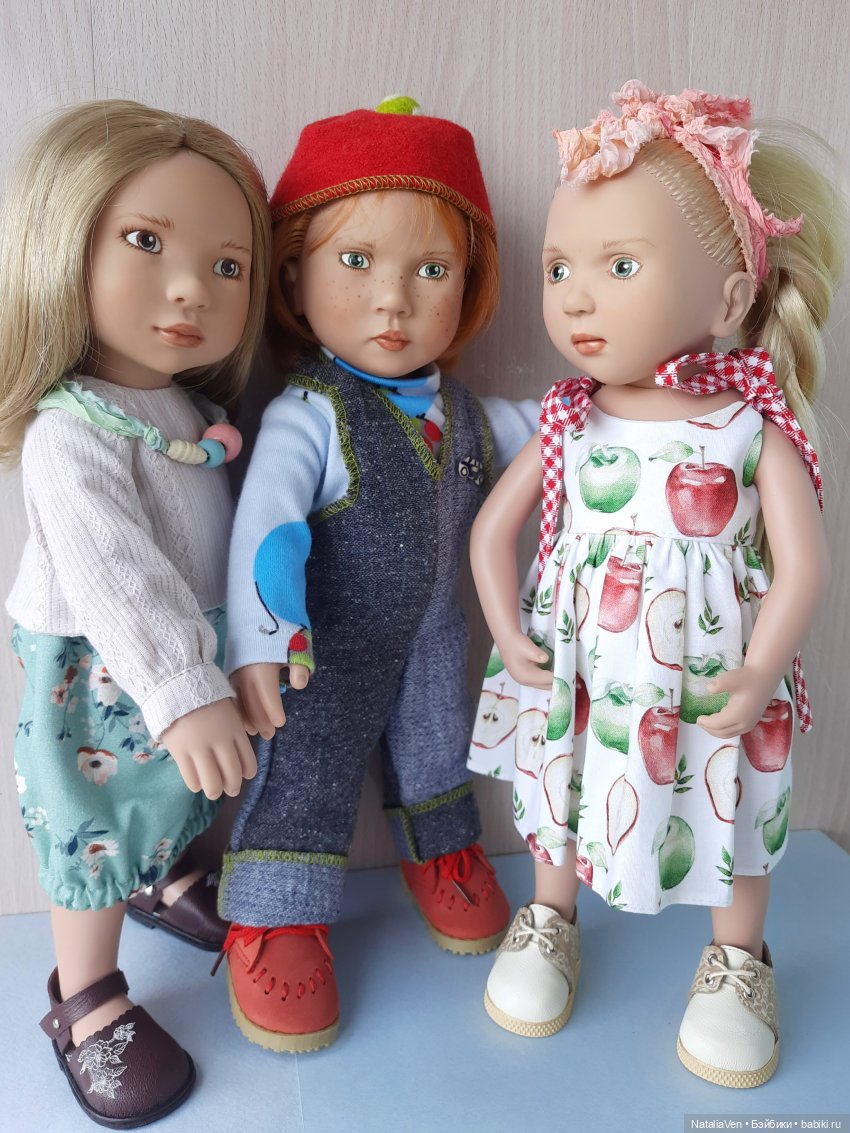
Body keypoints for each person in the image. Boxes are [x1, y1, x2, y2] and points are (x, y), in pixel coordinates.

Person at [468, 81, 846, 1087]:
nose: (576, 297)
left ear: (729, 299)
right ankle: (549, 916)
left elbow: (804, 565)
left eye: (620, 265)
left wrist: (762, 666)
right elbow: (492, 530)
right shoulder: (568, 417)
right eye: (559, 268)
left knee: (736, 809)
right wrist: (507, 626)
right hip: (585, 672)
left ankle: (738, 961)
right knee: (561, 788)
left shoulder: (748, 426)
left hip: (712, 678)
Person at [220, 98, 538, 1051]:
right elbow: (269, 526)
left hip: (437, 639)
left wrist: (612, 409)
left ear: (469, 285)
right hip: (325, 649)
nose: (393, 300)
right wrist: (264, 642)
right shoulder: (308, 414)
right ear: (294, 273)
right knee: (305, 768)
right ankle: (275, 906)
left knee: (441, 744)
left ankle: (442, 851)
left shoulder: (468, 415)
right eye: (356, 261)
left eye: (431, 270)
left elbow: (547, 434)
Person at [0, 99, 270, 1126]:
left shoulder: (189, 411)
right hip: (103, 673)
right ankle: (85, 999)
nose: (191, 286)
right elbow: (113, 571)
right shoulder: (70, 431)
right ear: (64, 242)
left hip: (183, 654)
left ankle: (164, 879)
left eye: (227, 264)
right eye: (147, 242)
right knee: (93, 831)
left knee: (172, 798)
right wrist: (183, 686)